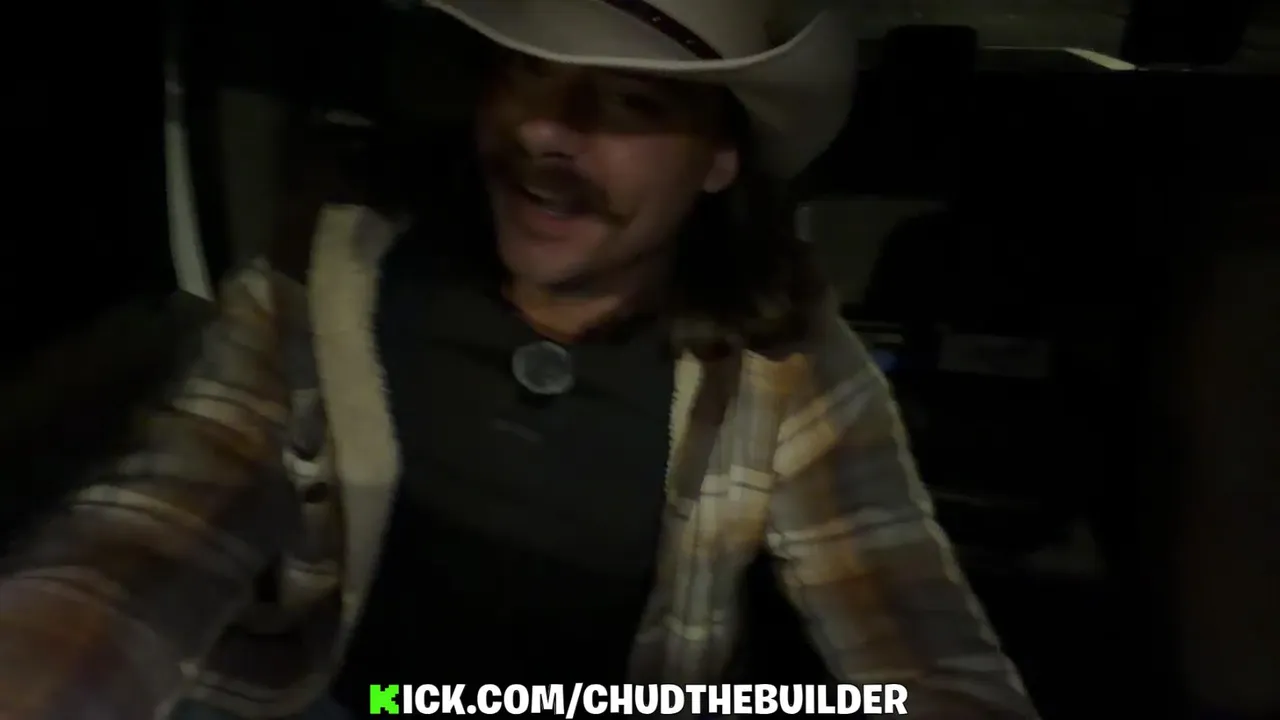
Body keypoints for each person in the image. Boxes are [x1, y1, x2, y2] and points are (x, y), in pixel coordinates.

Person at [0, 1, 1036, 718]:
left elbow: (904, 624)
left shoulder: (785, 361)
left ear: (718, 160)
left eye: (630, 103)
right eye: (530, 72)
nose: (546, 129)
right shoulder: (332, 275)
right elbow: (162, 525)